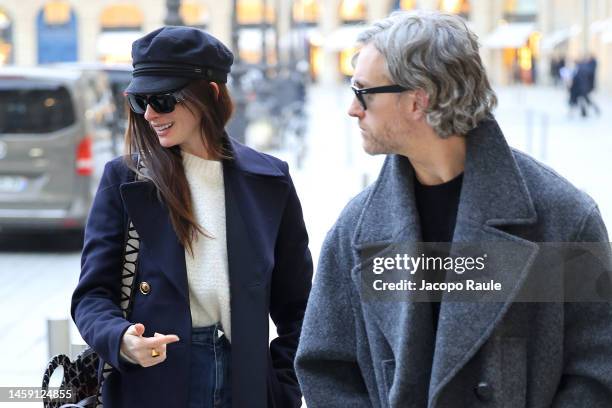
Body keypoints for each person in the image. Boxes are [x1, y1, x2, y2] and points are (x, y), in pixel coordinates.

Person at [295, 11, 612, 407]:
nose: (353, 109)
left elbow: (598, 371)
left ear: (418, 99)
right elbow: (325, 367)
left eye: (363, 92)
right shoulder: (357, 227)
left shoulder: (563, 217)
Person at [71, 26, 312, 408]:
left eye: (163, 100)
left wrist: (283, 386)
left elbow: (299, 305)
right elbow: (92, 295)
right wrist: (121, 339)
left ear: (210, 94)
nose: (149, 114)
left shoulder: (270, 180)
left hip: (246, 383)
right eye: (140, 101)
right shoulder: (125, 180)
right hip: (154, 383)